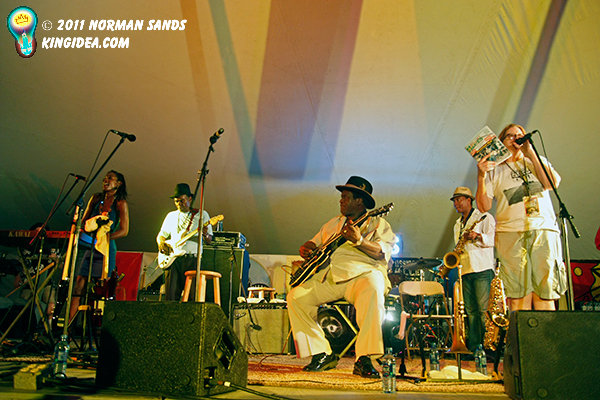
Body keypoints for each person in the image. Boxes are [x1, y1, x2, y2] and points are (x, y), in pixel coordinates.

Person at [287, 176, 395, 378]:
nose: (341, 200)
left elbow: (382, 253)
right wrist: (307, 248)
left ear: (359, 201)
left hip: (364, 274)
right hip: (332, 277)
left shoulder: (378, 223)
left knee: (373, 289)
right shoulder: (333, 223)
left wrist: (359, 240)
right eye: (342, 197)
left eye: (346, 197)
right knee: (295, 297)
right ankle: (321, 353)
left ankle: (364, 358)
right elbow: (313, 243)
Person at [475, 124, 566, 311]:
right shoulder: (494, 170)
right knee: (518, 296)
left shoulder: (536, 160)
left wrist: (530, 153)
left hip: (543, 229)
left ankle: (546, 331)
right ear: (501, 142)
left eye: (520, 135)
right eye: (510, 136)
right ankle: (520, 331)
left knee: (545, 293)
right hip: (510, 232)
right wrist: (481, 175)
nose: (516, 138)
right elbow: (484, 206)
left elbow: (551, 184)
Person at [69, 170, 129, 322]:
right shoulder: (96, 198)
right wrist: (86, 227)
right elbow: (84, 221)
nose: (106, 180)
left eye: (110, 178)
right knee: (79, 284)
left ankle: (100, 326)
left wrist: (105, 238)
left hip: (107, 249)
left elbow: (124, 230)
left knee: (104, 288)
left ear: (118, 183)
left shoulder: (120, 203)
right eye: (105, 178)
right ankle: (69, 327)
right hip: (91, 246)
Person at [450, 187, 495, 352]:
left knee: (483, 311)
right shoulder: (457, 224)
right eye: (454, 201)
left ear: (469, 200)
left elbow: (494, 239)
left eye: (459, 200)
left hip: (482, 269)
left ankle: (488, 347)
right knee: (471, 312)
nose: (456, 204)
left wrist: (478, 236)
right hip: (465, 270)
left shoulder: (484, 217)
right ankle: (475, 347)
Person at [157, 183, 213, 301]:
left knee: (193, 296)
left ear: (190, 199)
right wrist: (161, 243)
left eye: (182, 200)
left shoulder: (201, 215)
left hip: (193, 260)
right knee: (171, 296)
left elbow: (209, 241)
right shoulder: (171, 216)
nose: (179, 204)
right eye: (176, 201)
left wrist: (205, 234)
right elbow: (161, 235)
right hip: (174, 260)